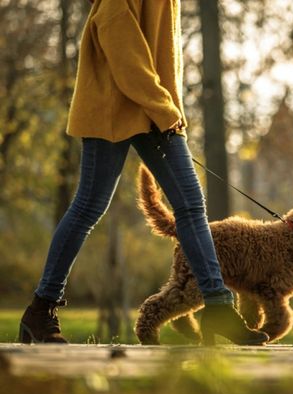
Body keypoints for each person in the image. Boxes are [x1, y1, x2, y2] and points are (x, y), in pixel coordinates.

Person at [19, 0, 268, 346]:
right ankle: (41, 309)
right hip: (114, 104)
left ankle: (218, 308)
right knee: (89, 207)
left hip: (152, 108)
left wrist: (163, 105)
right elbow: (122, 45)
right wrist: (163, 105)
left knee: (190, 205)